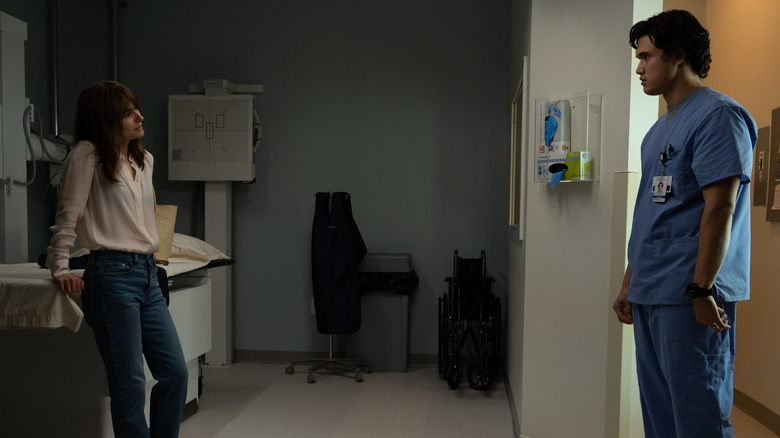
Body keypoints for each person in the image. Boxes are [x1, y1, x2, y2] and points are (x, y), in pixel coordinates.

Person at [612, 10, 756, 438]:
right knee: (658, 413)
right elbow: (651, 215)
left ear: (678, 55)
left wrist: (701, 289)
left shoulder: (717, 117)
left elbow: (720, 208)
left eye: (647, 56)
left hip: (691, 295)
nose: (639, 67)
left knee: (697, 414)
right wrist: (629, 282)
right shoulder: (657, 132)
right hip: (651, 290)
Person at [47, 81, 188, 437]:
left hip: (146, 273)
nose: (139, 116)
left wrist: (155, 253)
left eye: (136, 108)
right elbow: (67, 214)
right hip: (111, 276)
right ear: (106, 119)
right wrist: (59, 265)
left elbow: (142, 219)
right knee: (129, 383)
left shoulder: (144, 158)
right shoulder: (87, 155)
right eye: (127, 113)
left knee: (175, 372)